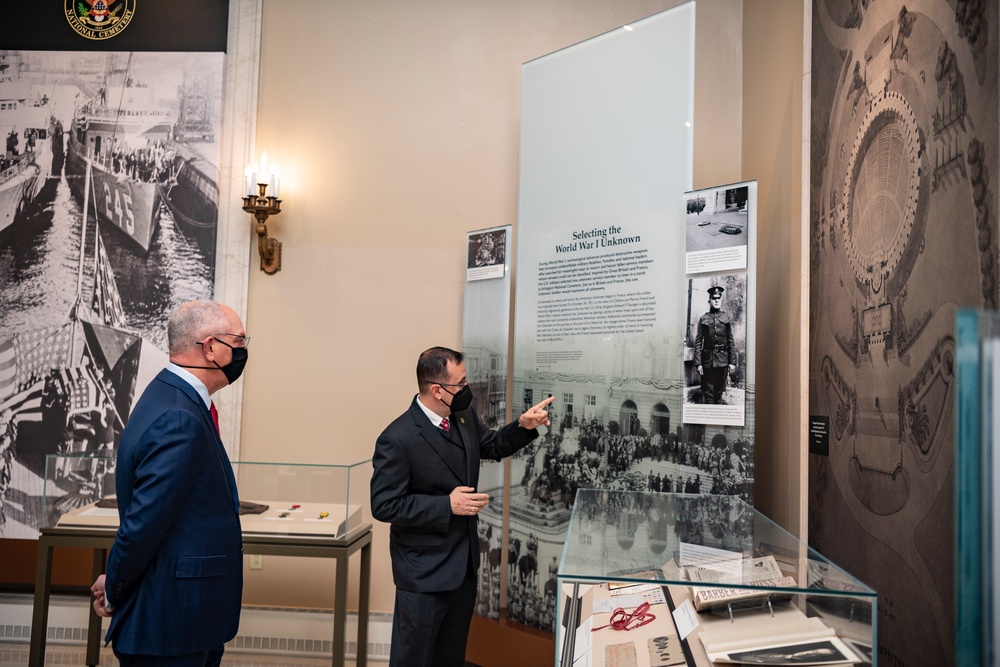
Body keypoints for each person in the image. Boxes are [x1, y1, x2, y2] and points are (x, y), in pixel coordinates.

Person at [371, 346, 554, 667]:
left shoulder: (464, 417)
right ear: (437, 390)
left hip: (463, 570)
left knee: (450, 658)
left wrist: (524, 426)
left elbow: (493, 445)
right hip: (423, 575)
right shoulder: (397, 438)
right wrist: (446, 504)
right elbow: (385, 505)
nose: (468, 389)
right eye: (462, 383)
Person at [90, 300, 249, 667]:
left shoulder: (173, 397)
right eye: (239, 342)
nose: (244, 351)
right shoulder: (179, 416)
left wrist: (115, 577)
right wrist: (115, 589)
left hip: (187, 616)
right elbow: (143, 525)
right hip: (173, 623)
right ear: (211, 348)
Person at [695, 285, 736, 404]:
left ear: (721, 299)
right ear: (709, 301)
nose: (717, 300)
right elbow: (698, 342)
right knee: (708, 394)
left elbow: (730, 340)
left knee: (719, 394)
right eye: (714, 298)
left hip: (723, 361)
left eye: (718, 298)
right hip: (708, 362)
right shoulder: (704, 319)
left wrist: (732, 362)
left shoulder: (725, 317)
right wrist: (698, 364)